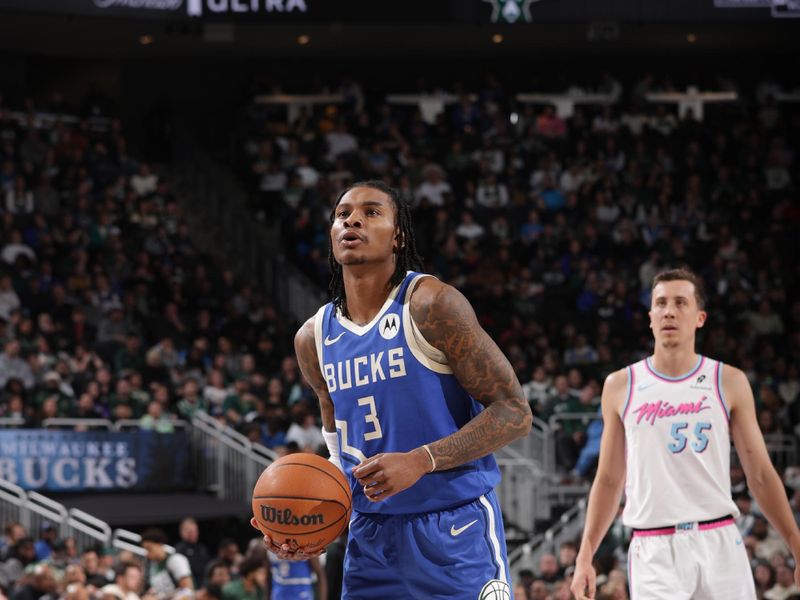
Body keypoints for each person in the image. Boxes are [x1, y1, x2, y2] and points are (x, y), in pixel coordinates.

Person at [252, 180, 532, 599]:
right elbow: (340, 452)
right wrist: (306, 518)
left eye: (371, 212)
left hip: (453, 531)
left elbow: (514, 412)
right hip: (371, 541)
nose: (353, 220)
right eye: (342, 213)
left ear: (398, 235)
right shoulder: (313, 338)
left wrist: (422, 459)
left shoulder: (430, 305)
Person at [571, 268, 800, 600]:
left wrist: (795, 542)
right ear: (650, 317)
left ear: (699, 317)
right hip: (653, 548)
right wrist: (584, 556)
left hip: (720, 540)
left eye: (680, 302)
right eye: (661, 303)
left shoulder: (728, 381)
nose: (669, 311)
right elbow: (608, 480)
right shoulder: (621, 385)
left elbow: (762, 474)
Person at [140, 528, 193, 600]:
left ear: (159, 544)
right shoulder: (151, 567)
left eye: (149, 548)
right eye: (145, 549)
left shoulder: (175, 560)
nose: (147, 553)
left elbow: (188, 591)